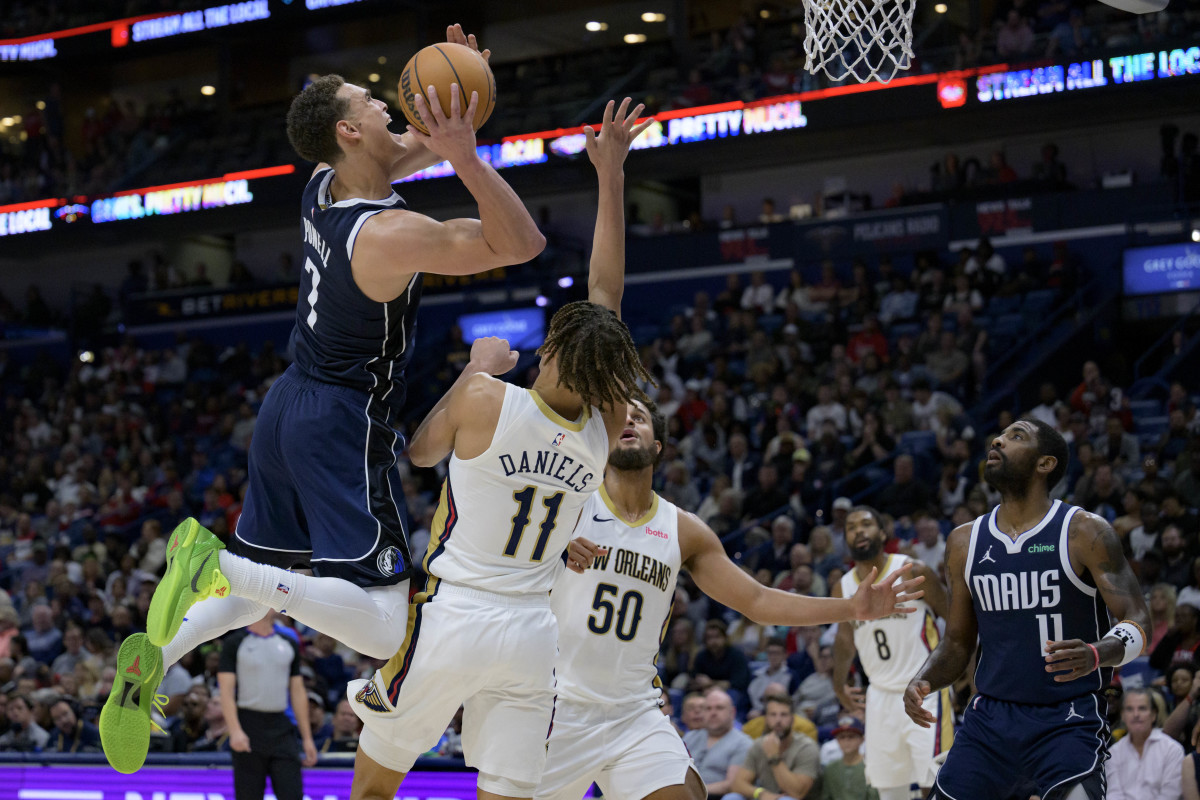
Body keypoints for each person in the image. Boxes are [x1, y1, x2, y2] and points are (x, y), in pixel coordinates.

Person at [100, 26, 545, 775]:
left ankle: (156, 660)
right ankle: (221, 564)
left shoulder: (325, 182)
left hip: (285, 408)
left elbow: (410, 148)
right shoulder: (390, 233)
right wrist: (467, 157)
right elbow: (520, 244)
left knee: (259, 591)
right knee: (381, 626)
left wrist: (461, 101)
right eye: (375, 102)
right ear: (348, 128)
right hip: (340, 418)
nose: (387, 104)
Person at [345, 97, 654, 800]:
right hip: (530, 636)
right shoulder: (604, 429)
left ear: (547, 350)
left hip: (455, 615)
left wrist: (472, 370)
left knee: (372, 784)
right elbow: (608, 288)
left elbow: (421, 454)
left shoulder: (489, 398)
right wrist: (612, 176)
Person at [533, 394, 922, 800]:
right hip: (560, 705)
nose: (629, 421)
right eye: (619, 417)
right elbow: (500, 567)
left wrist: (850, 608)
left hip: (634, 711)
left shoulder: (684, 530)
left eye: (641, 418)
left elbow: (757, 601)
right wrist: (551, 552)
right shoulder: (568, 506)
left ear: (658, 446)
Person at [905, 417, 1152, 800]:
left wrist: (1096, 653)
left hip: (1067, 717)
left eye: (1015, 436)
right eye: (999, 434)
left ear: (1045, 463)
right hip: (990, 720)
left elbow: (1139, 619)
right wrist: (924, 679)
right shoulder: (963, 541)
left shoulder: (1084, 531)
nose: (998, 440)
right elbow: (956, 642)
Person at [833, 505, 950, 800]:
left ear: (882, 532)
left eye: (866, 524)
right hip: (880, 695)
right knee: (889, 790)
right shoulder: (843, 587)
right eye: (851, 526)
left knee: (934, 783)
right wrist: (839, 686)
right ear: (845, 538)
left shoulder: (913, 570)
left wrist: (969, 673)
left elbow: (955, 619)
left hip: (925, 688)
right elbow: (845, 640)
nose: (859, 530)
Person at [218, 612, 317, 800]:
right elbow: (226, 692)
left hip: (281, 726)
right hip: (248, 726)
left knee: (293, 794)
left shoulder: (288, 642)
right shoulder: (235, 642)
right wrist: (235, 731)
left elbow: (297, 691)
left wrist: (307, 738)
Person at [728, 694, 821, 800]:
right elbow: (737, 784)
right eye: (773, 715)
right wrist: (760, 793)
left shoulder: (807, 748)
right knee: (732, 797)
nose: (778, 720)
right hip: (768, 797)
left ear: (792, 719)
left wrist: (774, 757)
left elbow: (797, 793)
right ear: (766, 719)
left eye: (784, 715)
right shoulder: (759, 744)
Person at [1106, 687, 1183, 799]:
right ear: (1122, 715)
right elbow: (1113, 794)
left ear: (1153, 715)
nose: (1136, 714)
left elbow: (1170, 794)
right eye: (1129, 709)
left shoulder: (1172, 749)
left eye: (1142, 708)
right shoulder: (1113, 753)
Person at [683, 689, 755, 798]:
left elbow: (732, 784)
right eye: (708, 708)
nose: (713, 713)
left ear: (732, 712)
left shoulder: (743, 743)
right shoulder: (690, 737)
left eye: (719, 708)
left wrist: (692, 792)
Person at [819, 716, 877, 800]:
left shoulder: (870, 767)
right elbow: (826, 796)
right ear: (837, 740)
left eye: (851, 737)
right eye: (842, 737)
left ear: (862, 739)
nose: (846, 741)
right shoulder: (830, 769)